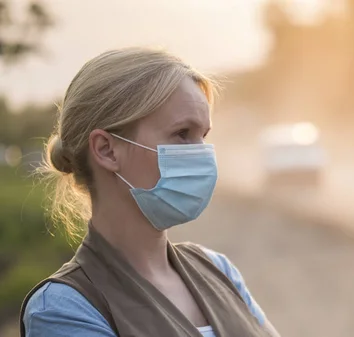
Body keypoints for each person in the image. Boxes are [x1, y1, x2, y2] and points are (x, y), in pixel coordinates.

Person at [19, 47, 280, 337]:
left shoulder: (219, 270)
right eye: (182, 134)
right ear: (106, 150)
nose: (203, 154)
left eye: (203, 136)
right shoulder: (64, 308)